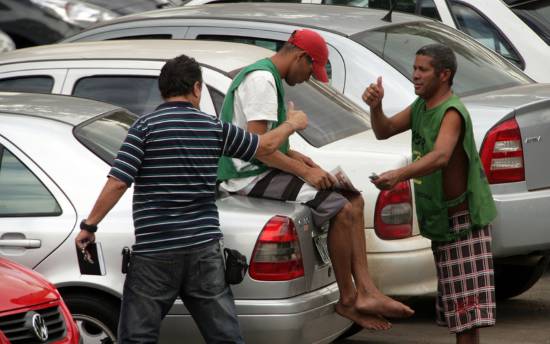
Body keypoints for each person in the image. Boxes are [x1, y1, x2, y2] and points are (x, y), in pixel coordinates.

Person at [75, 54, 309, 344]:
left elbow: (118, 182)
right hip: (203, 250)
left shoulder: (144, 128)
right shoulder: (213, 128)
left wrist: (90, 225)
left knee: (137, 337)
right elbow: (264, 146)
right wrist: (292, 123)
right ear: (197, 88)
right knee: (224, 336)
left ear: (163, 90)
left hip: (155, 251)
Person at [217, 29, 414, 331]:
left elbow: (267, 144)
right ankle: (349, 298)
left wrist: (297, 157)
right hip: (245, 176)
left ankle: (366, 290)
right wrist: (301, 158)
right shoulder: (262, 80)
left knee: (354, 199)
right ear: (300, 56)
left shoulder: (270, 78)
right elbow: (259, 147)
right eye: (312, 69)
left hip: (260, 168)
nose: (309, 77)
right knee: (340, 208)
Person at [362, 43, 497, 344]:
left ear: (444, 75)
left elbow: (440, 157)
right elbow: (383, 130)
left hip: (464, 223)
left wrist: (398, 175)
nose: (415, 76)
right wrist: (375, 107)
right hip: (441, 222)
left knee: (467, 317)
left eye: (423, 70)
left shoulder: (451, 111)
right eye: (415, 69)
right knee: (460, 316)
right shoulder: (422, 106)